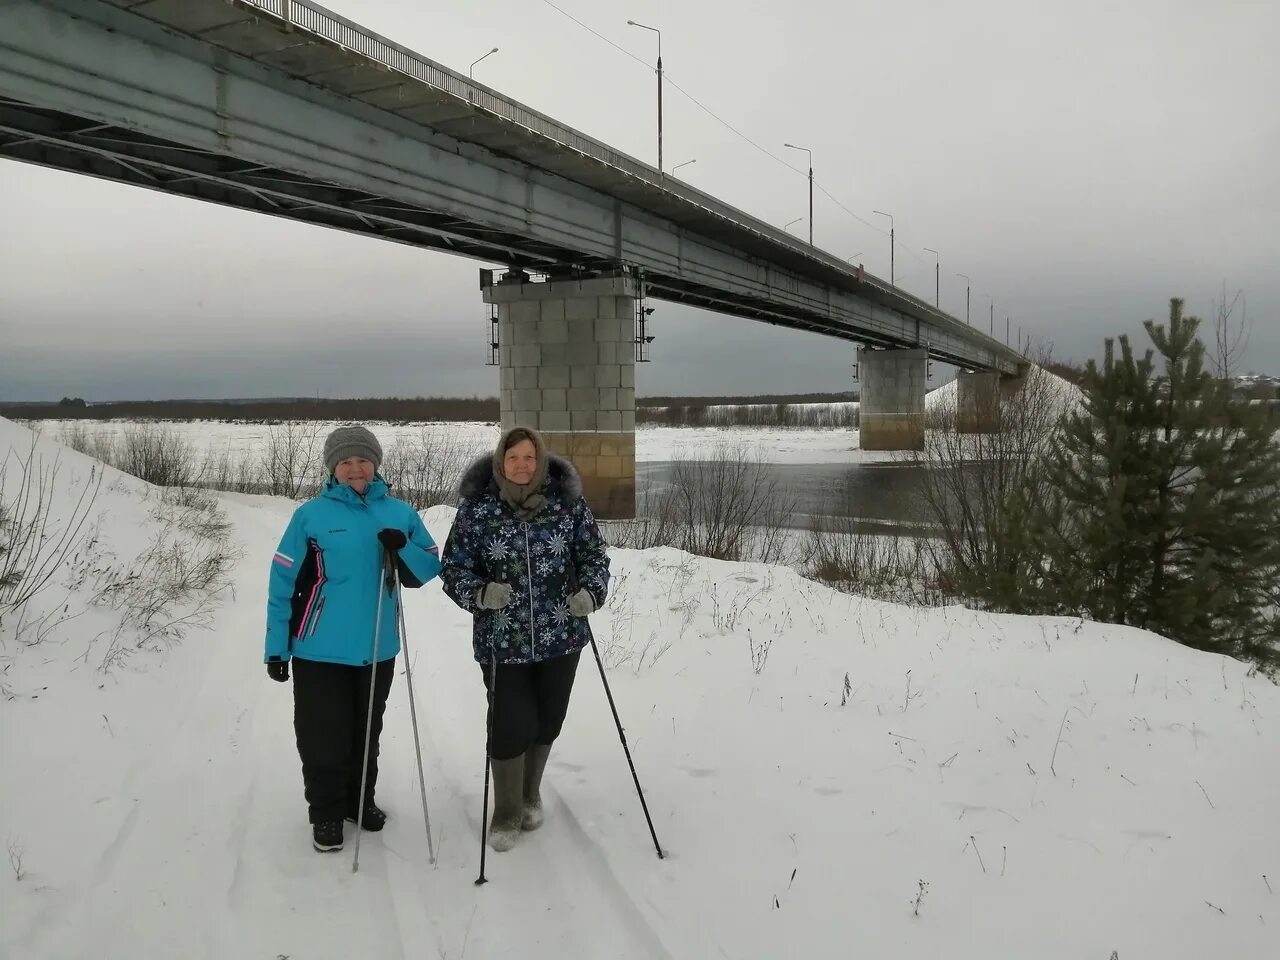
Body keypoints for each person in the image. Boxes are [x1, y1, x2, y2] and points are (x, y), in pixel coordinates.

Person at [264, 424, 442, 853]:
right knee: (322, 735)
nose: (355, 468)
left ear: (376, 464)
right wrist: (276, 646)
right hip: (318, 649)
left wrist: (403, 548)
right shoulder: (310, 516)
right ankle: (325, 812)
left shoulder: (400, 513)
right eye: (345, 462)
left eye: (362, 460)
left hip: (377, 648)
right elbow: (282, 579)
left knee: (366, 732)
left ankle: (359, 802)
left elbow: (428, 568)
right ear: (333, 469)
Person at [441, 426, 610, 852]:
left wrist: (591, 593)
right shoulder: (477, 510)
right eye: (513, 457)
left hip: (562, 634)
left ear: (540, 462)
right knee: (510, 723)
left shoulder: (568, 506)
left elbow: (594, 556)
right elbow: (454, 568)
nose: (522, 465)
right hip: (503, 640)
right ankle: (506, 809)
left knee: (548, 719)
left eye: (530, 457)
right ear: (501, 461)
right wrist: (479, 594)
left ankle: (530, 792)